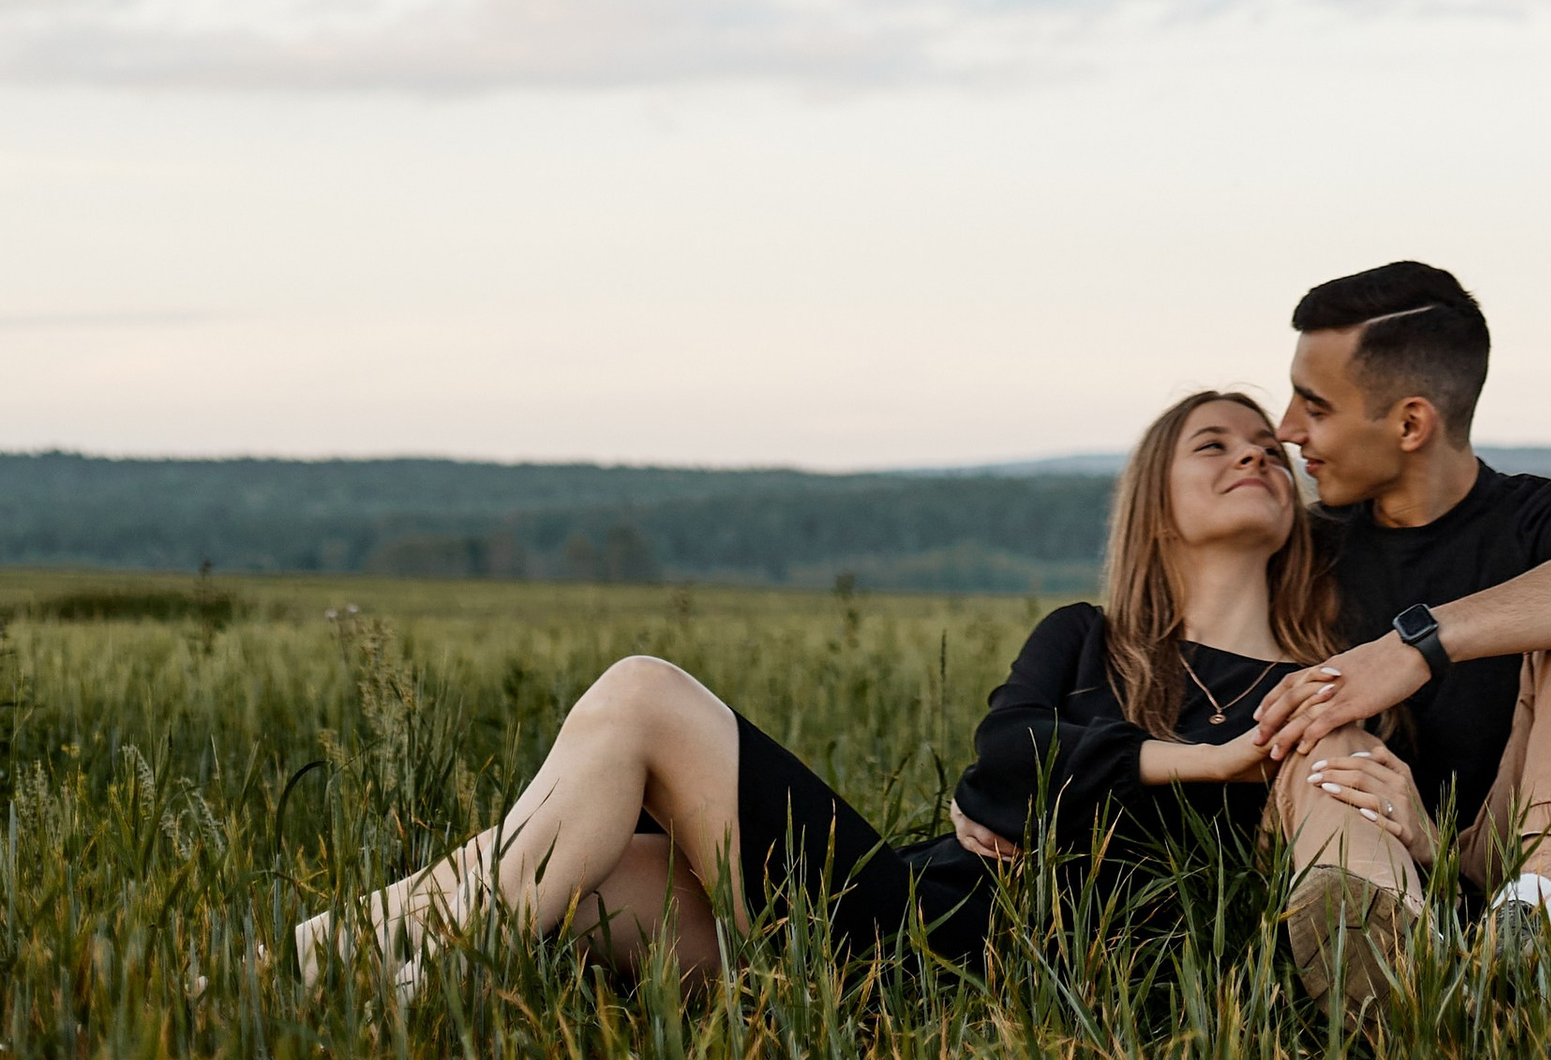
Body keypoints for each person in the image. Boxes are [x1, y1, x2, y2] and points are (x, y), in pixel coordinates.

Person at [294, 389, 1327, 993]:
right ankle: (267, 980)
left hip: (965, 961)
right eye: (1216, 445)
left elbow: (1105, 830)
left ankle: (354, 1001)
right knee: (570, 867)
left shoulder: (1313, 689)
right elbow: (1002, 765)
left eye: (1268, 452)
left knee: (644, 695)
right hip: (913, 896)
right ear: (1156, 500)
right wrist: (1187, 758)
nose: (1252, 457)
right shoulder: (1086, 635)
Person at [1253, 259, 1551, 1010]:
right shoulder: (1303, 548)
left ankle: (1532, 910)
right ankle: (1403, 962)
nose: (1286, 431)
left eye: (1315, 406)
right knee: (1327, 748)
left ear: (1410, 423)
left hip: (1515, 839)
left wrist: (1417, 647)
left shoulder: (1537, 517)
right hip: (1355, 832)